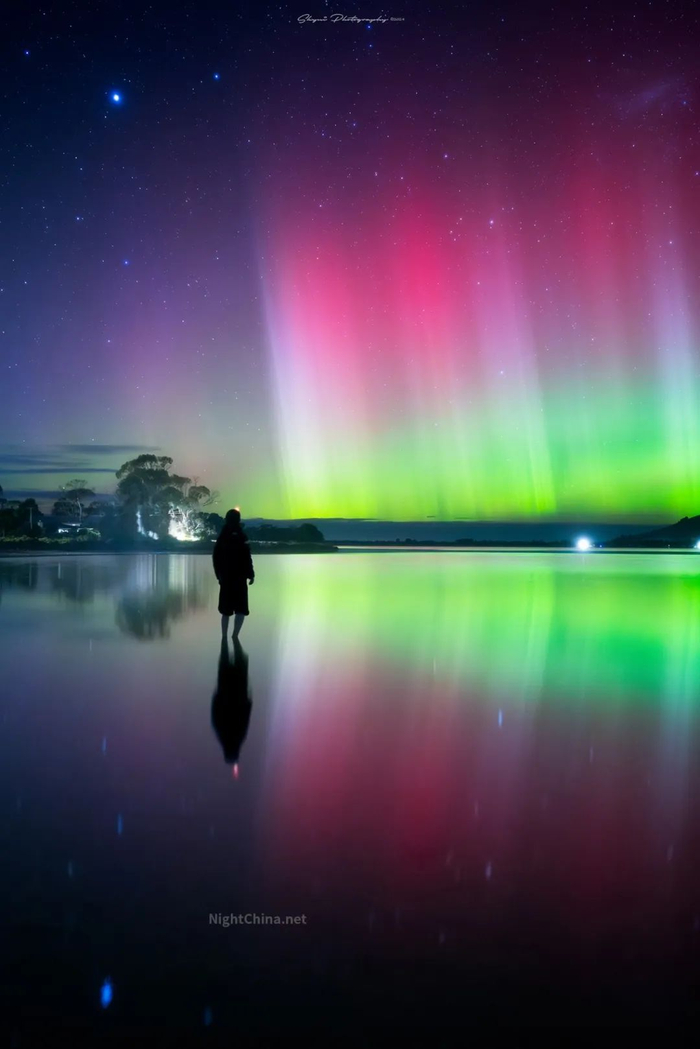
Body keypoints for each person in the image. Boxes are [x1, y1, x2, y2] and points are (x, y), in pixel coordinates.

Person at [213, 508, 255, 638]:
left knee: (226, 610)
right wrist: (251, 574)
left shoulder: (222, 536)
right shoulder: (242, 536)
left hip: (226, 578)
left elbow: (216, 557)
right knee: (241, 609)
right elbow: (247, 557)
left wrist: (218, 575)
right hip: (240, 578)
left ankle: (225, 636)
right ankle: (235, 636)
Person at [211, 637, 252, 768]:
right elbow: (215, 714)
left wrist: (249, 701)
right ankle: (231, 638)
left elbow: (246, 715)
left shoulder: (237, 736)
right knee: (226, 661)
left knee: (237, 662)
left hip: (237, 695)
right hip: (226, 694)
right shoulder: (223, 734)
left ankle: (232, 639)